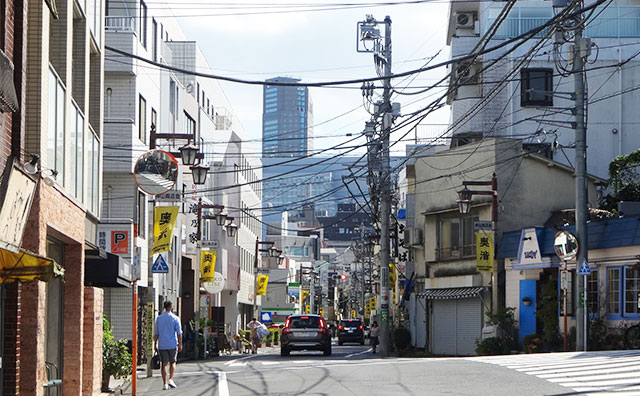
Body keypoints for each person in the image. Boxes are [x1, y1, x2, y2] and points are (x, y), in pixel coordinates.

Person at [154, 301, 183, 390]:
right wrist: (180, 344)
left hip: (162, 344)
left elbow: (156, 333)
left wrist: (155, 343)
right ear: (171, 307)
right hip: (172, 343)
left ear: (164, 307)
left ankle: (165, 383)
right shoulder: (175, 318)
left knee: (164, 364)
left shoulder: (159, 318)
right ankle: (171, 379)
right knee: (173, 362)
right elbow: (179, 333)